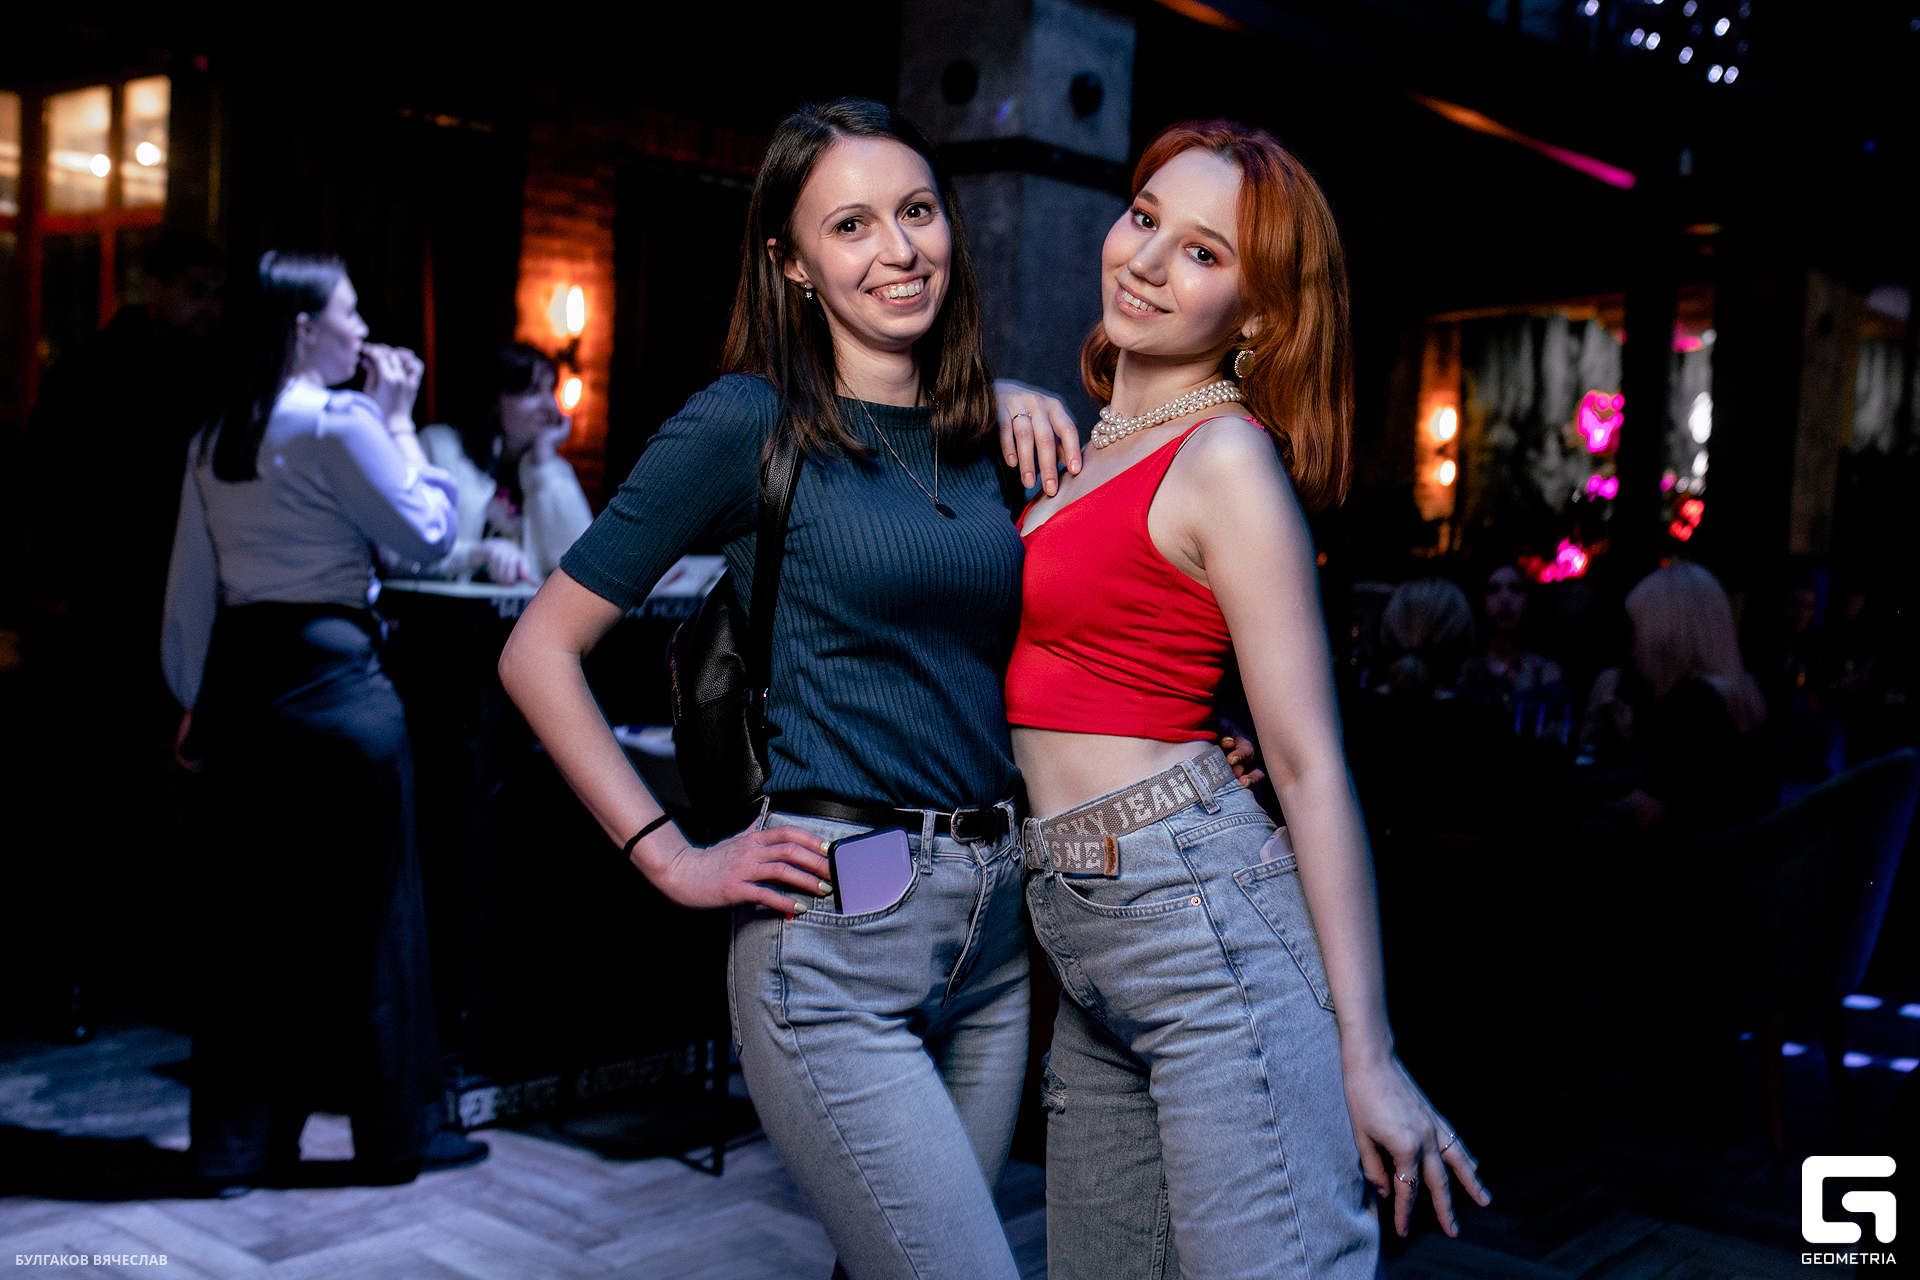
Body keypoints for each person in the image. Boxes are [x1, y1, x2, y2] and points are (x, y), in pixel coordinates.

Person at [498, 100, 1091, 1280]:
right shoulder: (748, 420)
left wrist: (1014, 388)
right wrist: (671, 856)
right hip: (838, 929)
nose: (899, 249)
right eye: (851, 225)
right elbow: (537, 650)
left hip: (995, 933)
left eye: (917, 211)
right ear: (793, 262)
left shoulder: (990, 433)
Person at [1007, 121, 1489, 1279]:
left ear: (1259, 314)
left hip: (1199, 917)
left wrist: (1367, 1052)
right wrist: (998, 385)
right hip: (1084, 925)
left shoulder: (1225, 458)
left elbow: (1310, 764)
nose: (1147, 259)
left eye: (1203, 251)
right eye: (1144, 218)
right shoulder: (1080, 449)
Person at [162, 250, 486, 1195]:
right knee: (375, 922)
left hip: (243, 689)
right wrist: (399, 422)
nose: (363, 328)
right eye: (350, 311)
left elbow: (190, 592)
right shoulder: (340, 424)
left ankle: (234, 1151)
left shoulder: (217, 434)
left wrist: (191, 698)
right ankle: (392, 1142)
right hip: (337, 686)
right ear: (304, 329)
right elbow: (430, 535)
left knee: (250, 928)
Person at [15, 231, 227, 1037]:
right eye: (197, 290)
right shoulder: (93, 373)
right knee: (86, 797)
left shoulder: (200, 376)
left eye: (217, 293)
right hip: (102, 616)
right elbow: (47, 493)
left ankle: (119, 974)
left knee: (146, 802)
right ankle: (71, 978)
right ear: (153, 287)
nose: (211, 308)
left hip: (155, 611)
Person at [391, 342, 592, 584]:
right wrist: (476, 554)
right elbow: (398, 553)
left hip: (523, 606)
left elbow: (582, 566)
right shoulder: (439, 447)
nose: (550, 406)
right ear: (494, 399)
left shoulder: (548, 466)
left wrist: (545, 462)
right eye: (532, 392)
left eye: (551, 390)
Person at [1596, 562, 1773, 834]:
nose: (1634, 639)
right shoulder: (1744, 691)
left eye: (1637, 626)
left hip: (1688, 856)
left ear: (1664, 633)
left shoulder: (1692, 702)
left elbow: (1644, 812)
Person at [1457, 564, 1569, 739]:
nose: (1505, 598)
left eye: (1515, 589)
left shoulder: (1546, 671)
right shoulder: (1465, 668)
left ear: (1529, 599)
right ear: (1481, 599)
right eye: (1493, 589)